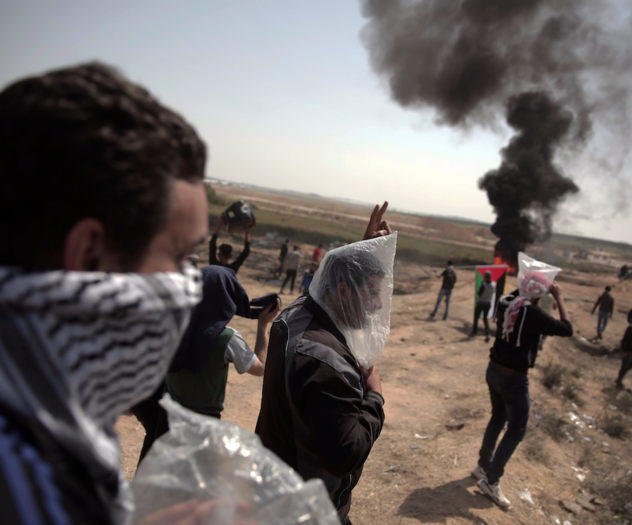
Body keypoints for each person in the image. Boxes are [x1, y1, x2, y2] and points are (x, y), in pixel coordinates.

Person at [0, 63, 210, 524]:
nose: (188, 282)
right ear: (90, 256)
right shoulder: (27, 480)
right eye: (179, 257)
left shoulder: (43, 426)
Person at [256, 203, 391, 525]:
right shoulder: (324, 362)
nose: (377, 305)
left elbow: (321, 285)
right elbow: (344, 455)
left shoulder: (293, 317)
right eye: (371, 293)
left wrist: (358, 253)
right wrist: (375, 397)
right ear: (343, 291)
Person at [472, 272, 573, 508]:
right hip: (513, 378)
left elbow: (521, 294)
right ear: (539, 293)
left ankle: (483, 466)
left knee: (498, 418)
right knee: (516, 428)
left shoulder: (507, 302)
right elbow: (567, 328)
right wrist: (558, 297)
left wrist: (534, 283)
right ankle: (491, 480)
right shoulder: (534, 313)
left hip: (493, 370)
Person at [166, 266, 280, 418]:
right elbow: (260, 368)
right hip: (203, 424)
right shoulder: (227, 338)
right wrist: (262, 325)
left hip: (167, 417)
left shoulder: (171, 327)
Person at [471, 270, 495, 340]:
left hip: (481, 302)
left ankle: (474, 332)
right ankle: (488, 333)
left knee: (476, 318)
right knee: (485, 319)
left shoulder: (484, 284)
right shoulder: (493, 284)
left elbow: (479, 294)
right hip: (488, 303)